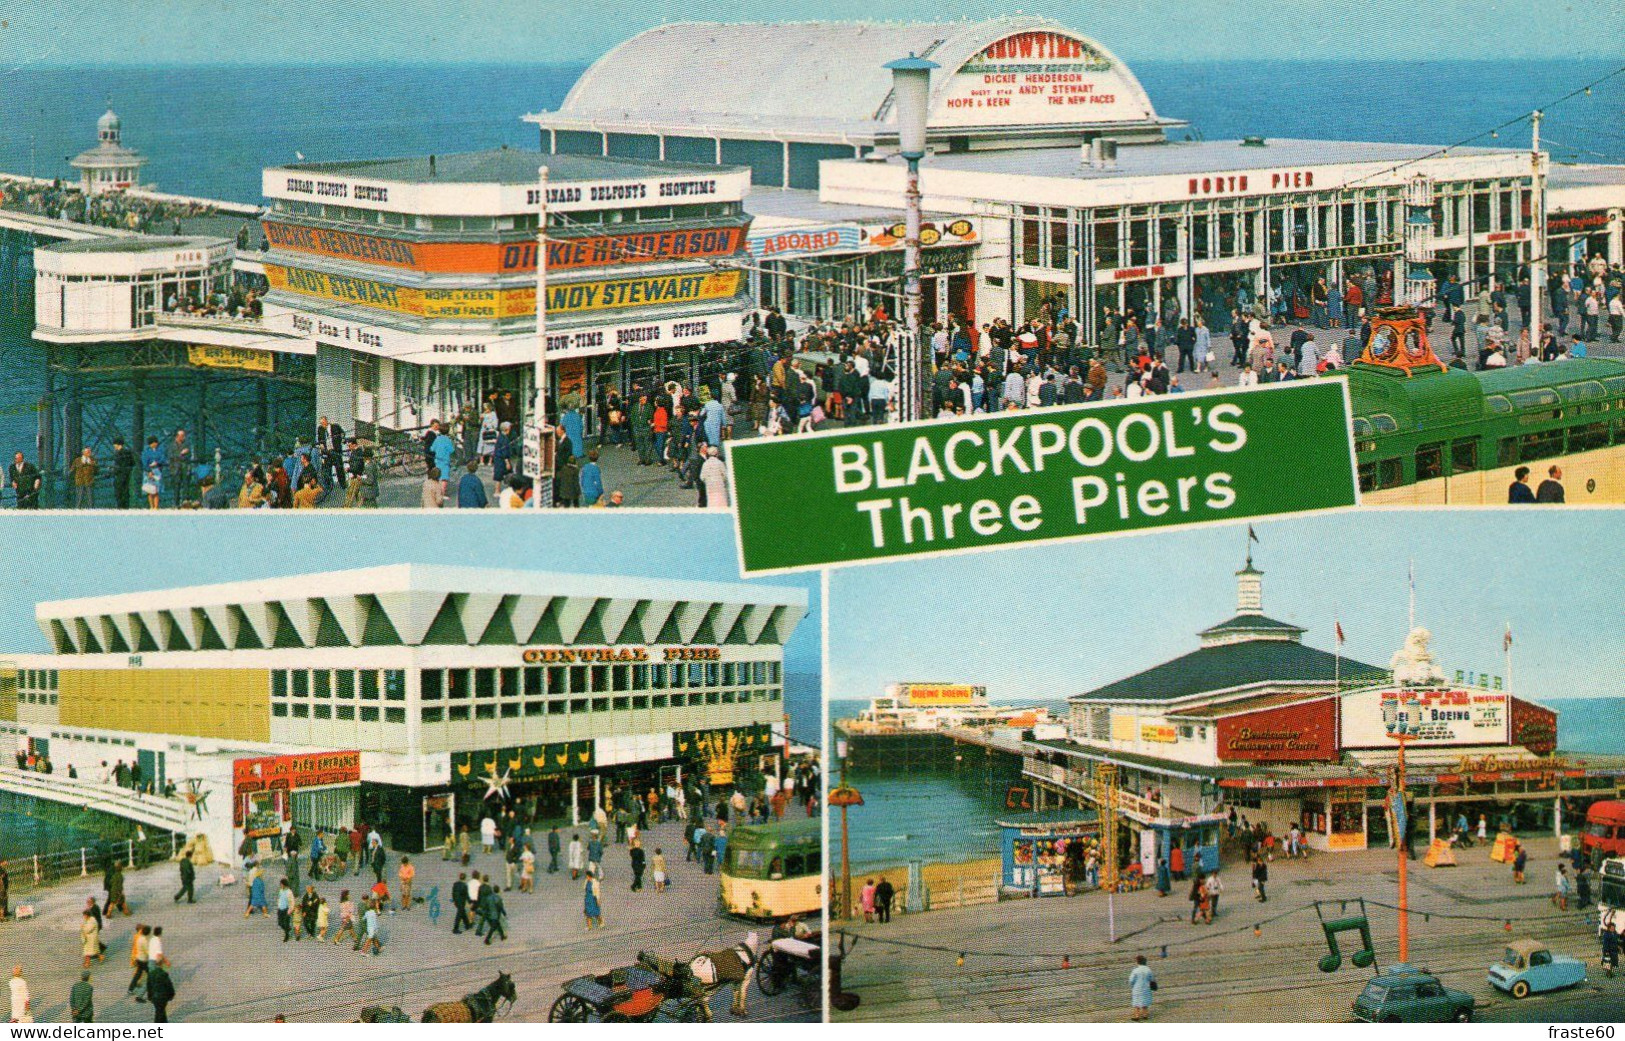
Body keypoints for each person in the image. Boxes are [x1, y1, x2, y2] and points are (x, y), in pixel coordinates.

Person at [1128, 954, 1156, 1021]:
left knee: (1136, 1002)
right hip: (1146, 988)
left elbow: (1131, 980)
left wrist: (1132, 986)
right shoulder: (1148, 970)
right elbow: (1152, 979)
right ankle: (1145, 1015)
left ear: (1137, 962)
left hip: (1137, 988)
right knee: (1145, 1001)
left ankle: (1137, 1016)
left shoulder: (1135, 970)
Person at [128, 924, 150, 999]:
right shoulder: (140, 938)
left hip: (138, 958)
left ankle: (130, 988)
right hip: (142, 959)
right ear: (140, 930)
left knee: (138, 973)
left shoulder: (136, 936)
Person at [583, 866, 603, 930]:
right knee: (588, 913)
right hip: (588, 899)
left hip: (593, 899)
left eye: (587, 876)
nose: (586, 877)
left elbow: (597, 892)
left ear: (590, 876)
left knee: (596, 912)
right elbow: (585, 889)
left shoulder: (595, 882)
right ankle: (589, 926)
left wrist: (598, 900)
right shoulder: (586, 881)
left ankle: (601, 922)